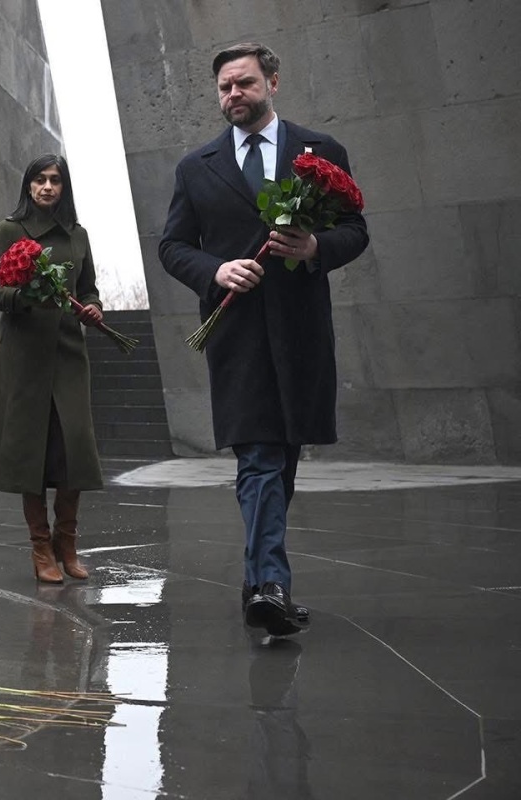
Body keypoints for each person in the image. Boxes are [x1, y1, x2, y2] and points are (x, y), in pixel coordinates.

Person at [159, 43, 369, 635]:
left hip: (301, 330)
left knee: (284, 459)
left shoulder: (320, 152)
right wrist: (216, 270)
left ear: (272, 82)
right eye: (225, 86)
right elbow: (173, 246)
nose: (234, 95)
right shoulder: (195, 167)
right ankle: (273, 585)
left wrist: (315, 247)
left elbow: (355, 230)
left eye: (245, 83)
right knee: (259, 457)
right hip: (237, 332)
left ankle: (258, 584)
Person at [0, 154, 105, 584]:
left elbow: (89, 289)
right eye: (39, 179)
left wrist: (94, 308)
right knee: (32, 452)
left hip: (68, 354)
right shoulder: (10, 230)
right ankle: (41, 547)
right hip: (23, 358)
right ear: (28, 186)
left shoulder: (78, 235)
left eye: (55, 180)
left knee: (74, 451)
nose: (47, 187)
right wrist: (21, 297)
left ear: (64, 188)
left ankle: (68, 543)